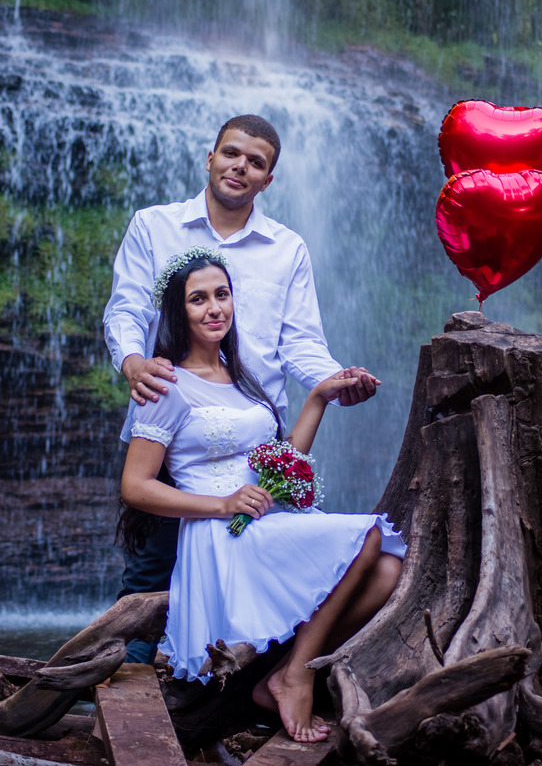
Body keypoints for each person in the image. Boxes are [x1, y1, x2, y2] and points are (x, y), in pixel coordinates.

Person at [103, 115, 379, 660]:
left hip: (255, 443)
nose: (240, 167)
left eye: (256, 162)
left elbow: (300, 342)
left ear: (267, 179)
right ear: (209, 158)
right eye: (231, 154)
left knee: (255, 585)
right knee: (151, 583)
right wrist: (133, 363)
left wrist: (330, 381)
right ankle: (120, 701)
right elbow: (127, 309)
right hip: (175, 431)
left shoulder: (287, 248)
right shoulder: (154, 226)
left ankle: (232, 696)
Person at [120, 248, 405, 743]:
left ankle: (288, 670)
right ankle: (297, 678)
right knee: (368, 539)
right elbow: (135, 487)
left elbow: (280, 461)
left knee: (387, 570)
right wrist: (225, 504)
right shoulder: (166, 383)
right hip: (220, 533)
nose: (215, 308)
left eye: (222, 295)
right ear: (176, 311)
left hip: (260, 520)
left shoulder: (242, 377)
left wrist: (318, 396)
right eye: (198, 299)